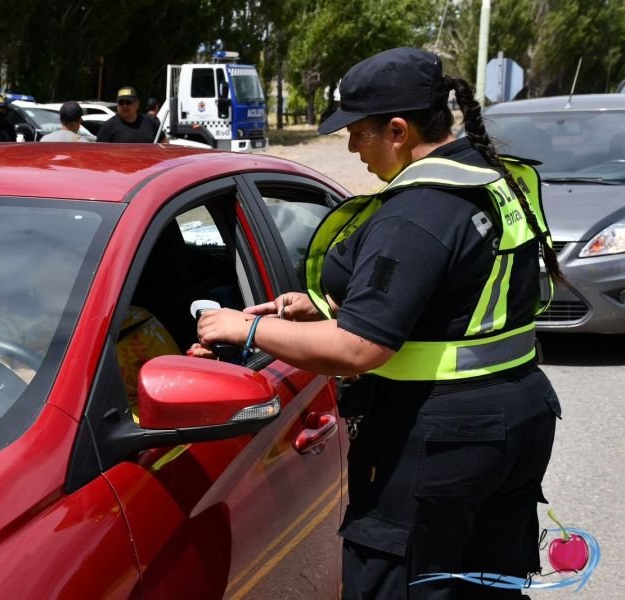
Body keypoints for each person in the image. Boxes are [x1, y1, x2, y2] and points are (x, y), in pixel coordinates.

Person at [196, 47, 562, 599]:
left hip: (443, 436)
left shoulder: (419, 211)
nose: (350, 147)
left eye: (357, 133)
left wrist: (240, 330)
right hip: (519, 413)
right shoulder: (488, 179)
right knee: (487, 582)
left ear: (396, 130)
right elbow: (461, 301)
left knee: (400, 584)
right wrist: (329, 308)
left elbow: (359, 351)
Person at [97, 86, 165, 143]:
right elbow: (99, 153)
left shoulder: (150, 122)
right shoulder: (108, 127)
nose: (124, 106)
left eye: (128, 102)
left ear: (137, 104)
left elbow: (164, 143)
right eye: (121, 103)